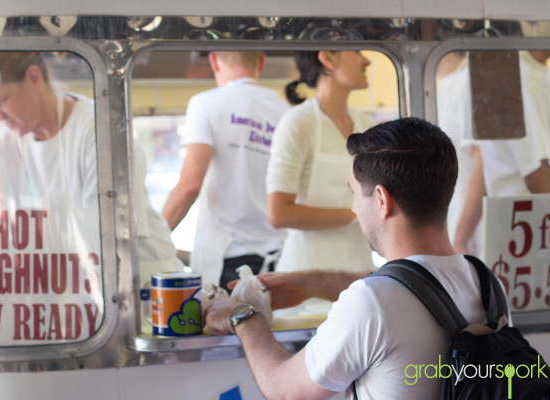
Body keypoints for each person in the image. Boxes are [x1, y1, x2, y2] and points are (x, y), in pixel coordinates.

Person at [205, 117, 495, 399]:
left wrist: (243, 317)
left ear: (381, 201)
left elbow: (284, 390)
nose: (354, 208)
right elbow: (416, 285)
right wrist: (312, 283)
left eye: (354, 192)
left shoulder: (372, 302)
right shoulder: (485, 281)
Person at [0, 51, 182, 282]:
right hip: (75, 282)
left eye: (0, 102)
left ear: (33, 78)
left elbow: (110, 234)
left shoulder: (100, 131)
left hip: (143, 281)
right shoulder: (9, 143)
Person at [161, 51, 290, 288]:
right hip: (280, 258)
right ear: (261, 61)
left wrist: (155, 238)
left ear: (213, 61)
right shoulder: (286, 111)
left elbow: (190, 185)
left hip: (227, 259)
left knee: (229, 325)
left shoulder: (206, 104)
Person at [266, 51, 374, 275]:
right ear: (328, 58)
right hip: (305, 281)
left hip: (359, 272)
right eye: (358, 52)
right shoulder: (298, 123)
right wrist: (358, 215)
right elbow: (279, 213)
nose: (367, 60)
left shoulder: (365, 124)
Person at [453, 50, 550, 251]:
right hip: (527, 235)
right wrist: (461, 239)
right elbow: (537, 177)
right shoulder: (517, 76)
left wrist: (461, 239)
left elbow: (485, 161)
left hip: (518, 234)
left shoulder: (530, 72)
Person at [435, 51, 484, 255]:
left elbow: (485, 163)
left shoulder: (467, 81)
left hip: (474, 234)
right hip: (453, 228)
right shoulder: (434, 88)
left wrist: (461, 238)